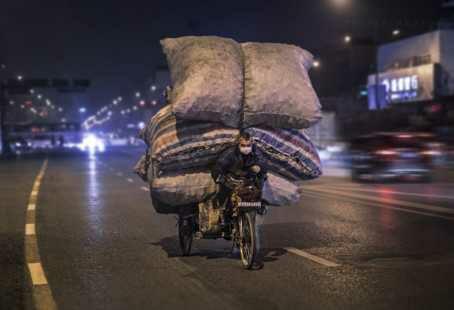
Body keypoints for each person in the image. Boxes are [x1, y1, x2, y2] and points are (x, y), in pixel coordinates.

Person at [212, 131, 267, 210]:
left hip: (248, 178)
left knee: (255, 194)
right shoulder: (230, 153)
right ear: (238, 143)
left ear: (251, 143)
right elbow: (217, 168)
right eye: (243, 145)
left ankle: (255, 207)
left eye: (248, 145)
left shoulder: (256, 153)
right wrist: (223, 181)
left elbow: (263, 165)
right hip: (232, 179)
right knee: (223, 194)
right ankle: (219, 209)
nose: (246, 148)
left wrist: (259, 167)